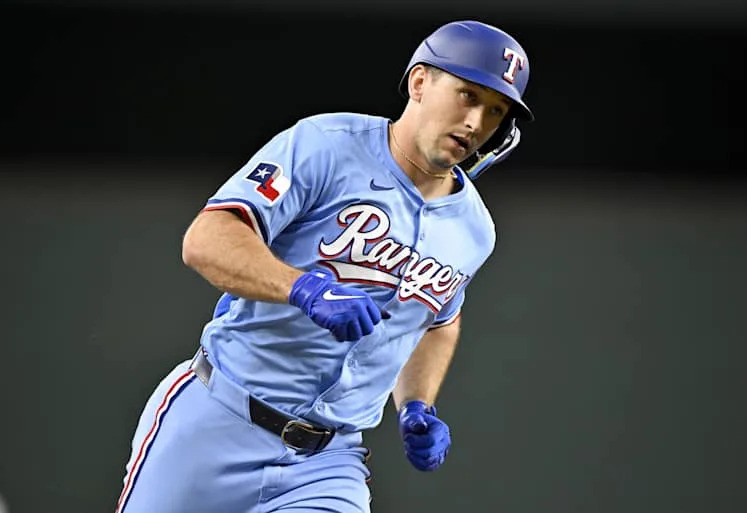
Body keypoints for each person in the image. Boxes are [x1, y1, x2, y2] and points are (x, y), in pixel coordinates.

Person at [115, 19, 533, 513]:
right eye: (468, 95)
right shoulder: (327, 144)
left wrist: (417, 403)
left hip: (327, 463)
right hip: (215, 422)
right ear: (420, 82)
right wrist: (304, 289)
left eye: (495, 111)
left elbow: (437, 318)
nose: (477, 122)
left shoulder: (474, 229)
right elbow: (207, 239)